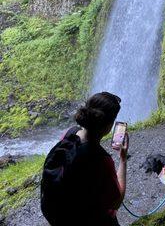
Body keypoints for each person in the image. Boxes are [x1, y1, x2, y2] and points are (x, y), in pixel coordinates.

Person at [41, 92, 128, 226]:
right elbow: (116, 201)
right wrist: (123, 160)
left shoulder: (69, 134)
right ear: (109, 125)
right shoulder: (101, 159)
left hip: (60, 215)